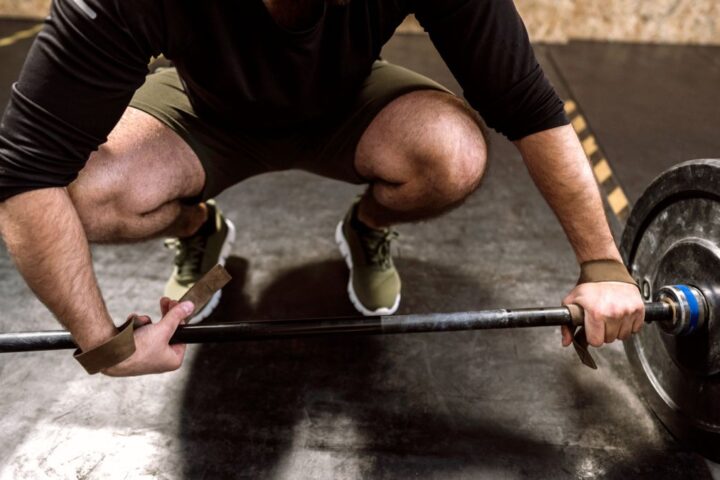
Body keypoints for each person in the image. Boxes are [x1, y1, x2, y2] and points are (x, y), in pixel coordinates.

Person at [0, 0, 644, 376]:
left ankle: (368, 227)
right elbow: (26, 168)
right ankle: (199, 229)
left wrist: (602, 263)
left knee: (453, 154)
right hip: (206, 115)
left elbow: (526, 106)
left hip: (346, 107)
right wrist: (103, 345)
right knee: (86, 193)